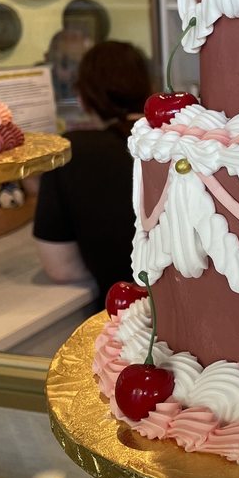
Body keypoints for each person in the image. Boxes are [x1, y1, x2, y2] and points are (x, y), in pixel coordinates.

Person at [33, 40, 151, 306]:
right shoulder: (177, 139)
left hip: (130, 318)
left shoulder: (73, 151)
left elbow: (61, 268)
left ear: (83, 98)